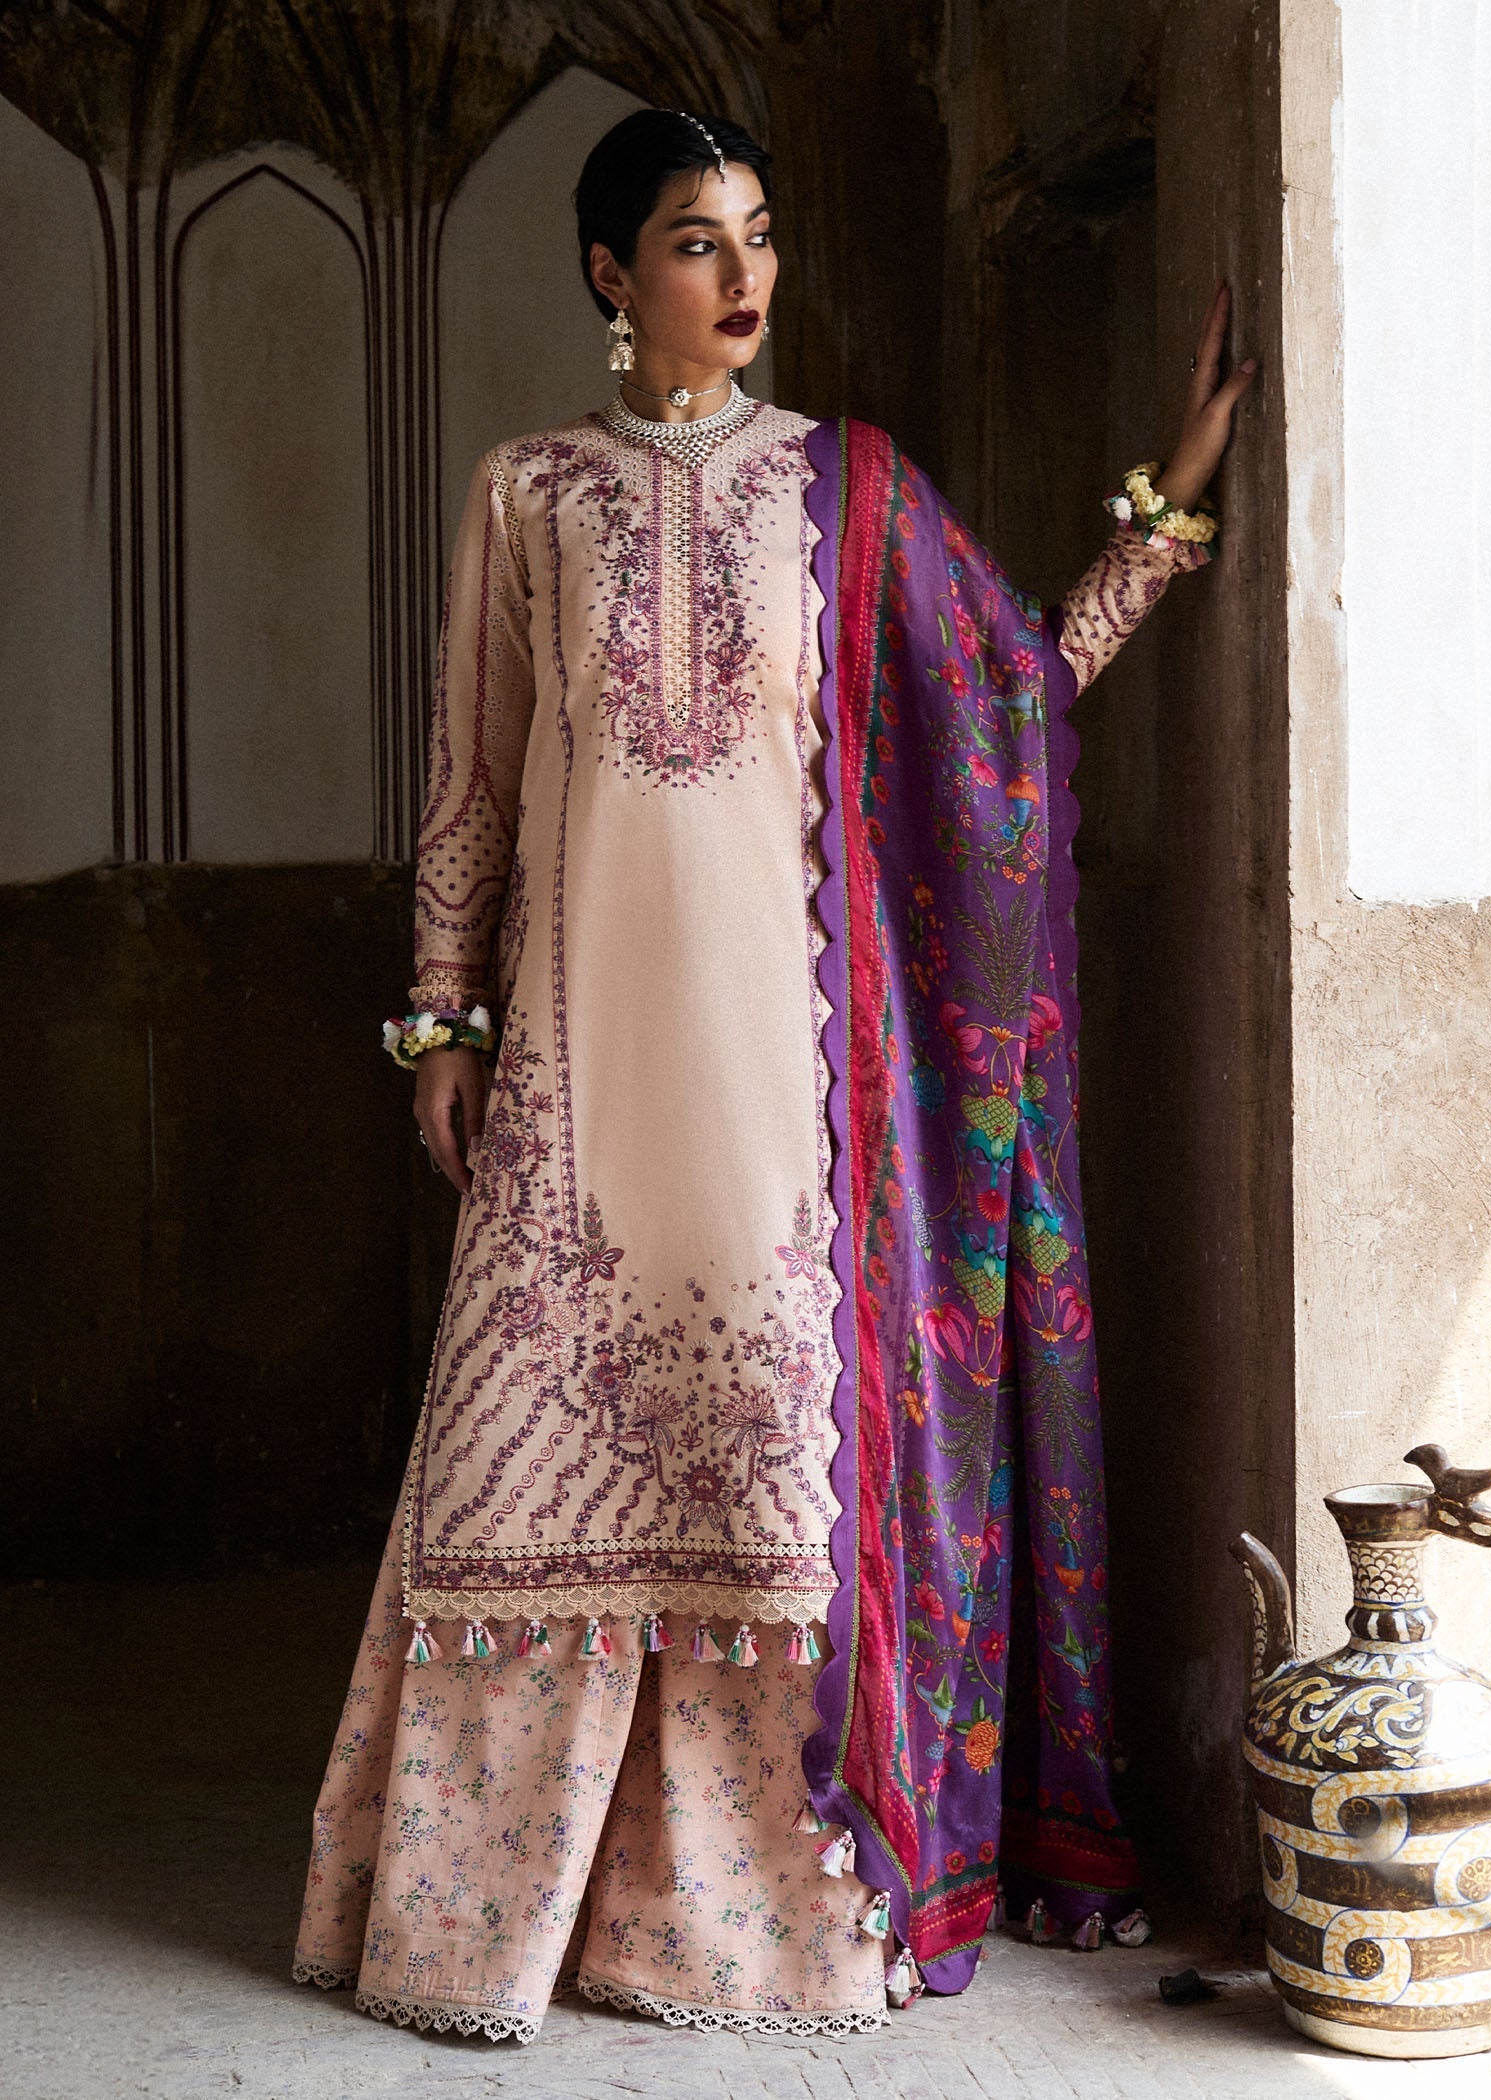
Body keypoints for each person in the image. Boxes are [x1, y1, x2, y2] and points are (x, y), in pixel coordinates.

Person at [293, 105, 1256, 2045]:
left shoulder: (850, 490)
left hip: (786, 1094)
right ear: (609, 273)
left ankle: (740, 1933)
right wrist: (442, 1017)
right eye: (693, 242)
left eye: (757, 236)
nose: (743, 279)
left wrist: (1159, 519)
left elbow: (1006, 696)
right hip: (576, 1078)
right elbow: (474, 776)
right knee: (517, 1467)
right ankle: (488, 1925)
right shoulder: (529, 494)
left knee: (763, 1471)